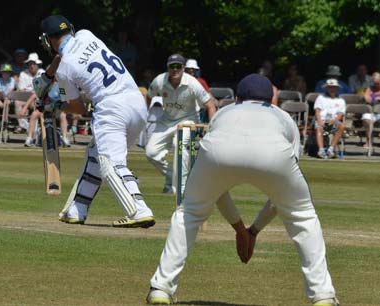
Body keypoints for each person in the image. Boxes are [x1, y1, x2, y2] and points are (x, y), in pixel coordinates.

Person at [145, 73, 340, 306]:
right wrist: (253, 230)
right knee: (303, 217)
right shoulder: (284, 117)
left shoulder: (225, 112)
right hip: (274, 153)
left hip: (219, 151)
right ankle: (323, 297)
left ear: (237, 98)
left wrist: (240, 229)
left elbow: (215, 191)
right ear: (272, 100)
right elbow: (281, 198)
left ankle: (161, 289)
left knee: (189, 212)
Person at [37, 15, 155, 228]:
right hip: (136, 103)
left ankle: (139, 209)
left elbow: (78, 108)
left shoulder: (65, 71)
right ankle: (77, 209)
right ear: (70, 30)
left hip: (111, 109)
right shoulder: (86, 35)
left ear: (48, 40)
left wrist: (54, 105)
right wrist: (47, 75)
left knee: (110, 163)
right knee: (95, 154)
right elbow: (65, 56)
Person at [145, 54, 216, 194]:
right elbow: (148, 96)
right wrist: (144, 115)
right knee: (151, 153)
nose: (175, 69)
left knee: (181, 149)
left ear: (184, 68)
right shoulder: (159, 81)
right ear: (167, 67)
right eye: (172, 66)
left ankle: (180, 191)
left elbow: (210, 105)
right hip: (166, 120)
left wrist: (212, 128)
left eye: (178, 66)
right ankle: (172, 178)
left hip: (188, 119)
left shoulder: (193, 83)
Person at [314, 79, 346, 159]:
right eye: (330, 87)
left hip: (333, 121)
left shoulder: (341, 100)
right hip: (322, 119)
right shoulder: (320, 97)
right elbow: (317, 111)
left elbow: (340, 114)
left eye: (333, 87)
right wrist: (320, 121)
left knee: (342, 126)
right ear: (327, 88)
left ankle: (331, 149)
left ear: (337, 88)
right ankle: (321, 150)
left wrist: (334, 121)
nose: (332, 89)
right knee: (319, 128)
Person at [15, 52, 45, 134]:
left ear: (38, 65)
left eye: (34, 64)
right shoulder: (23, 73)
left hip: (38, 98)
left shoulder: (42, 73)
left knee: (36, 104)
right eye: (30, 64)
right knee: (17, 102)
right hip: (26, 98)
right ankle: (23, 126)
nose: (32, 66)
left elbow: (42, 90)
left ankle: (32, 128)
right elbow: (21, 90)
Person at [0, 63, 16, 130]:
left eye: (8, 72)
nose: (6, 74)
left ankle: (5, 121)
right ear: (1, 73)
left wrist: (5, 99)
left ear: (10, 73)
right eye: (4, 72)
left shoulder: (12, 80)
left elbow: (10, 91)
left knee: (7, 102)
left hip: (9, 97)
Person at [361, 72, 380, 149]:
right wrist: (376, 98)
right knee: (366, 119)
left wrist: (373, 97)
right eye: (375, 83)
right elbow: (366, 99)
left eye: (378, 83)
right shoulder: (370, 88)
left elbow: (370, 98)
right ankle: (369, 141)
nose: (376, 85)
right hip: (371, 111)